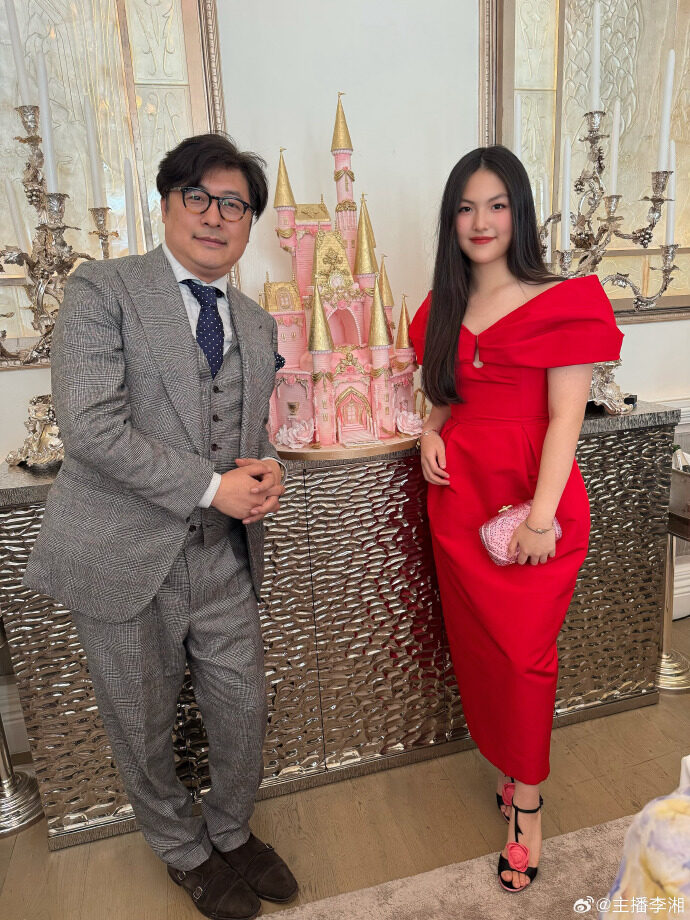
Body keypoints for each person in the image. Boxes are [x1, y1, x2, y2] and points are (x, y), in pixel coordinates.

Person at [24, 133, 297, 920]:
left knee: (242, 710)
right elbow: (91, 429)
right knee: (140, 724)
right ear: (168, 203)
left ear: (250, 222)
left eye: (233, 204)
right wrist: (213, 486)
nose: (215, 216)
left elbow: (246, 429)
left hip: (222, 559)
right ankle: (183, 849)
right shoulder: (102, 289)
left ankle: (231, 830)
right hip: (122, 555)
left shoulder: (256, 322)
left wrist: (267, 466)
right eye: (198, 197)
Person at [409, 145, 623, 893]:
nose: (481, 221)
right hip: (460, 499)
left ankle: (527, 808)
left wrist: (540, 518)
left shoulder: (566, 299)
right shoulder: (440, 307)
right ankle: (510, 766)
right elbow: (447, 393)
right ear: (451, 219)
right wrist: (430, 431)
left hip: (535, 502)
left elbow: (566, 419)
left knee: (526, 654)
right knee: (480, 650)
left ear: (520, 212)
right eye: (466, 207)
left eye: (497, 205)